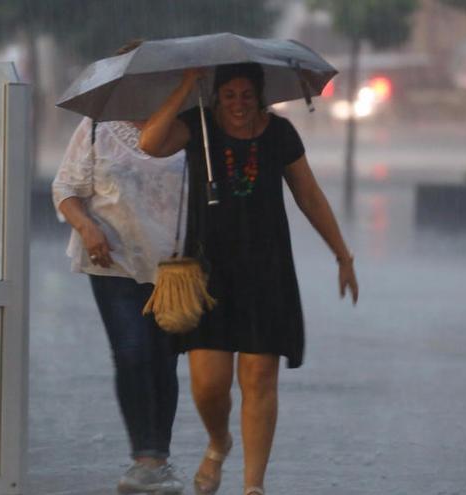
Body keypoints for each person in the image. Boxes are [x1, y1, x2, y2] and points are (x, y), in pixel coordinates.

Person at [138, 63, 359, 495]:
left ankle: (253, 486)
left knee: (259, 377)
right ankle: (219, 442)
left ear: (259, 97)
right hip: (208, 274)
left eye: (246, 95)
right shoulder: (196, 125)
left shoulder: (280, 134)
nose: (238, 104)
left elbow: (309, 195)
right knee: (209, 385)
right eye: (229, 95)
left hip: (267, 272)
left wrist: (342, 255)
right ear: (216, 96)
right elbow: (149, 143)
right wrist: (187, 85)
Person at [52, 41, 188, 495]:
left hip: (173, 266)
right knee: (131, 352)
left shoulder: (190, 126)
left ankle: (160, 457)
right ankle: (144, 458)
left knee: (163, 359)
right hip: (113, 262)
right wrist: (87, 227)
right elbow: (66, 188)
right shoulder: (96, 126)